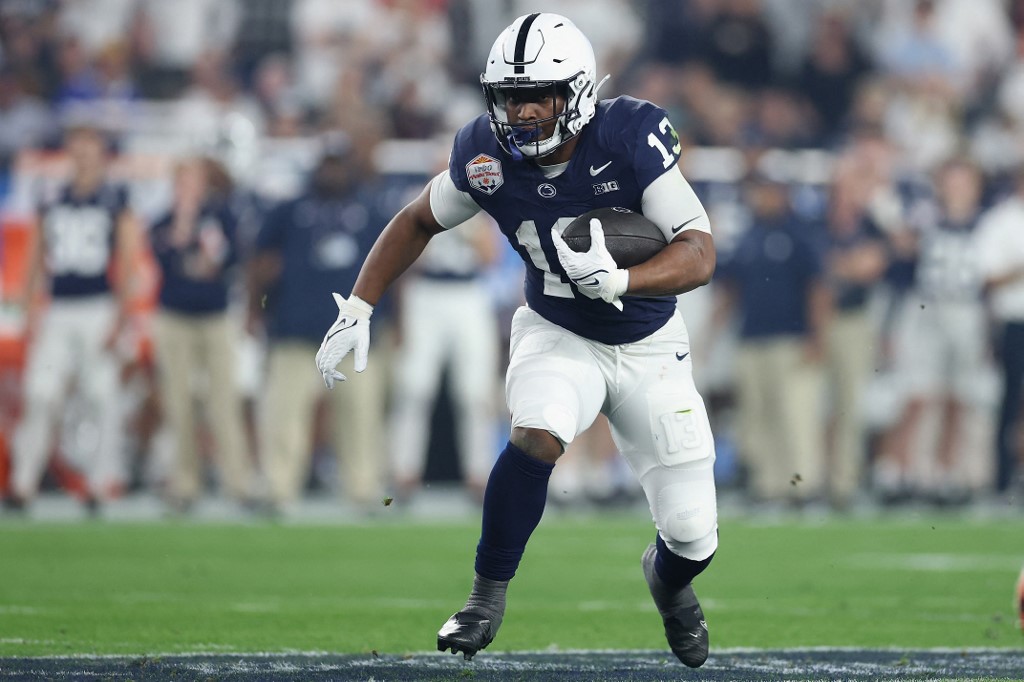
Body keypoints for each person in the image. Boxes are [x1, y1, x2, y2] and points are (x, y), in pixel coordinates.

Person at [316, 13, 718, 668]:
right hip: (557, 329)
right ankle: (483, 598)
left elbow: (699, 253)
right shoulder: (485, 155)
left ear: (580, 93)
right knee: (538, 429)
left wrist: (623, 277)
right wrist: (360, 305)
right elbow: (418, 218)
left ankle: (668, 585)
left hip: (649, 345)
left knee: (694, 535)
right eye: (510, 97)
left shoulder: (628, 135)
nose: (523, 112)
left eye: (539, 96)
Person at [248, 138, 390, 514]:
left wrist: (395, 321)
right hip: (295, 331)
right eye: (327, 164)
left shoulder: (371, 210)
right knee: (283, 416)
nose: (332, 172)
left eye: (338, 164)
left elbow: (396, 270)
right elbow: (260, 262)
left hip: (355, 333)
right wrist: (255, 310)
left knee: (360, 417)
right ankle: (278, 488)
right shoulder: (290, 210)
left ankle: (363, 488)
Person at [7, 125, 141, 512]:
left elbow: (129, 260)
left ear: (101, 153)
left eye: (90, 147)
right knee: (40, 392)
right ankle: (23, 482)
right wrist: (28, 305)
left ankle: (99, 484)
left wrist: (122, 313)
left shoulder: (116, 198)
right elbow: (35, 253)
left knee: (102, 395)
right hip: (59, 307)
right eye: (77, 147)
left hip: (98, 306)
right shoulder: (52, 195)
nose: (83, 155)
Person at [712, 172, 830, 508]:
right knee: (758, 416)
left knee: (796, 415)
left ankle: (804, 486)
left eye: (768, 192)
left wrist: (816, 336)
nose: (763, 199)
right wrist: (712, 333)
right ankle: (768, 486)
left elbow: (817, 287)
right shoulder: (749, 234)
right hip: (752, 339)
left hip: (791, 338)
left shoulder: (799, 233)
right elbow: (731, 288)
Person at [148, 156, 252, 512]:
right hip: (175, 317)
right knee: (178, 402)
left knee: (223, 400)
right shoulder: (163, 221)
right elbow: (166, 260)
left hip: (215, 317)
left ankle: (237, 481)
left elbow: (231, 257)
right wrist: (184, 221)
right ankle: (184, 482)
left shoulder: (221, 215)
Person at [973, 169, 1024, 499]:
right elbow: (987, 278)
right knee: (1010, 403)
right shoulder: (1001, 220)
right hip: (1015, 320)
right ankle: (1003, 481)